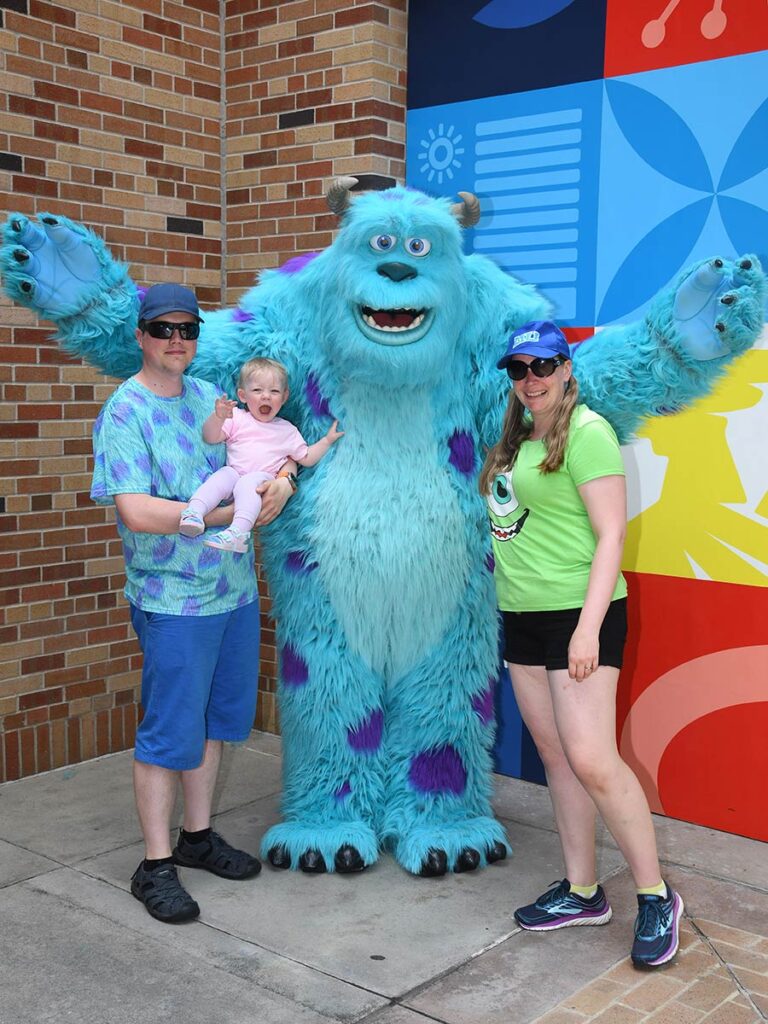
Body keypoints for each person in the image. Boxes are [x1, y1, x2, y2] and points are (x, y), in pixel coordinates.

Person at [480, 320, 683, 969]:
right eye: (519, 369)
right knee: (557, 757)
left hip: (580, 616)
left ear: (566, 369)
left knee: (593, 757)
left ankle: (655, 894)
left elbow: (611, 538)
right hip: (523, 617)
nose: (531, 379)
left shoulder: (589, 432)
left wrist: (589, 629)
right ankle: (582, 889)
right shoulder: (512, 437)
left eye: (543, 366)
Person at [90, 283, 295, 924]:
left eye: (187, 329)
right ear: (141, 335)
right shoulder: (125, 412)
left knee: (211, 724)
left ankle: (197, 838)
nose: (176, 340)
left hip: (232, 594)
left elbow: (263, 452)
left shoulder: (212, 397)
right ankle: (154, 866)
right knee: (167, 734)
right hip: (171, 600)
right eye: (163, 329)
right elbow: (135, 509)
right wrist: (229, 514)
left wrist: (282, 483)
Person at [179, 357, 343, 553]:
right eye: (257, 390)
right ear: (243, 395)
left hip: (262, 479)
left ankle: (239, 533)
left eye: (274, 391)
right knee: (220, 477)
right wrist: (219, 417)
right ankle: (194, 512)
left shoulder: (287, 430)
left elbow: (306, 457)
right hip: (235, 472)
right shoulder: (238, 418)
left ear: (284, 397)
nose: (266, 396)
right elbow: (210, 436)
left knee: (248, 482)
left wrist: (327, 440)